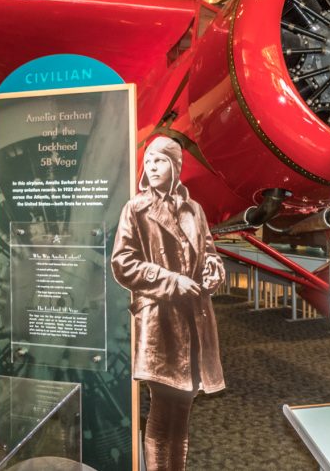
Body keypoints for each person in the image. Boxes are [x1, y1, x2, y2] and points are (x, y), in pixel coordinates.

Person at [111, 136, 224, 471]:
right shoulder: (136, 208)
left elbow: (210, 251)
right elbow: (122, 262)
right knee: (162, 409)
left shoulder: (195, 210)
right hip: (159, 321)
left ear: (175, 166)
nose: (152, 167)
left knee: (183, 408)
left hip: (194, 319)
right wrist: (172, 280)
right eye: (148, 161)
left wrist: (213, 269)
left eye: (159, 161)